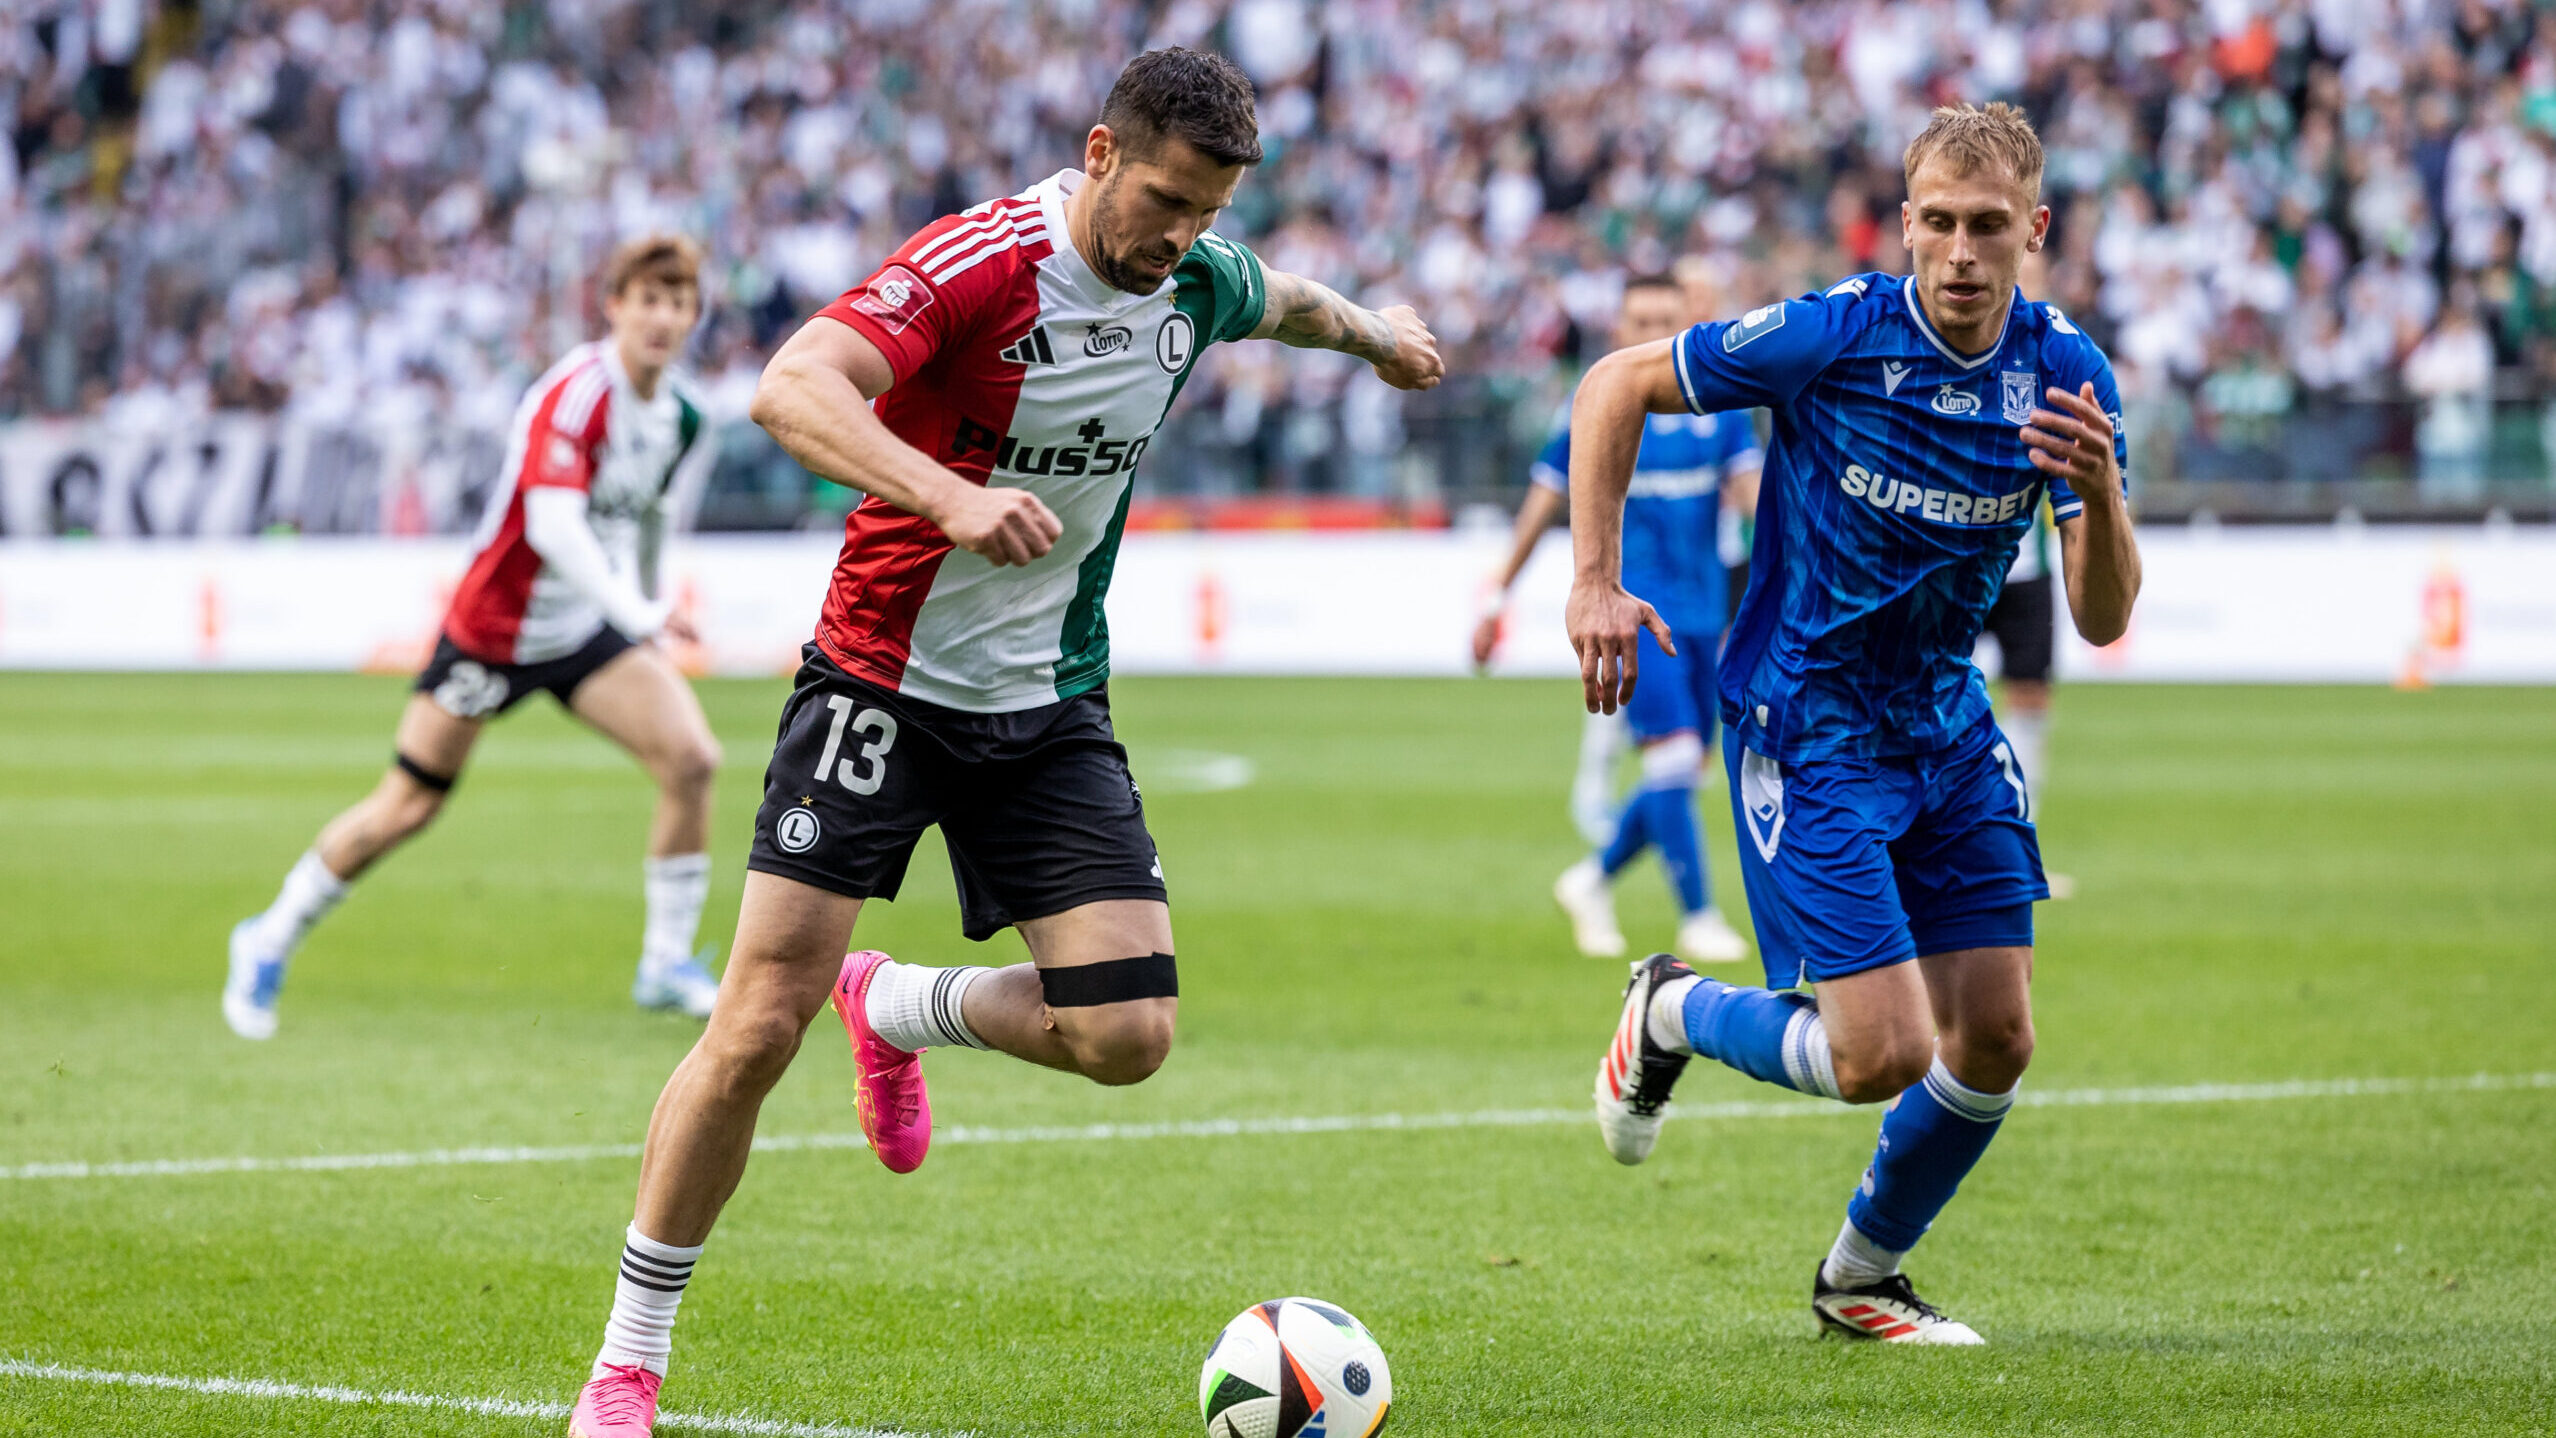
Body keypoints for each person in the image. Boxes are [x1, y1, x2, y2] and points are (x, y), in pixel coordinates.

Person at [565, 49, 1443, 1438]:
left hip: (1047, 705)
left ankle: (898, 1003)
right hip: (877, 682)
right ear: (1099, 153)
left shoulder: (1196, 275)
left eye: (1205, 211)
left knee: (1128, 1032)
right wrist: (947, 496)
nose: (1179, 237)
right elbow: (794, 387)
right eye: (1162, 199)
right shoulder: (981, 264)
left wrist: (1379, 331)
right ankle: (628, 1359)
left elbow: (1290, 300)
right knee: (752, 1026)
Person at [1568, 104, 2139, 1343]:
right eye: (1938, 222)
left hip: (1942, 723)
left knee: (1995, 1037)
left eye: (1990, 226)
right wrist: (1594, 581)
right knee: (1880, 1052)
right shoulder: (1833, 335)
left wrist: (2099, 493)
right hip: (1810, 721)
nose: (1963, 252)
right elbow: (1613, 382)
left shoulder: (2067, 377)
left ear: (2033, 230)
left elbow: (2100, 618)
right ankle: (1669, 1007)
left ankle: (1862, 1278)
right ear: (1907, 225)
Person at [223, 236, 725, 1038]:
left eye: (679, 301)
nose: (663, 317)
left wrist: (648, 604)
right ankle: (268, 936)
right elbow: (552, 526)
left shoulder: (684, 416)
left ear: (695, 315)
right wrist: (633, 613)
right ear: (615, 306)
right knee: (408, 806)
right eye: (649, 299)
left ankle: (664, 964)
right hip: (495, 630)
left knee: (692, 760)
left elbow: (652, 517)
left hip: (585, 628)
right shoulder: (574, 395)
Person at [1472, 274, 1760, 965]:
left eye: (1668, 320)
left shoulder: (1719, 413)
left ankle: (1591, 879)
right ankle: (1699, 917)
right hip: (1632, 616)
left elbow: (1757, 506)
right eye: (1641, 321)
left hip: (1704, 619)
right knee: (1673, 758)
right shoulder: (1593, 414)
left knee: (1683, 770)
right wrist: (1493, 599)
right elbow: (1541, 510)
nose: (1654, 333)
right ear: (1620, 331)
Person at [1979, 498, 2075, 898]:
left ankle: (2017, 854)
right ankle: (1919, 851)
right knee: (1924, 692)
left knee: (2032, 697)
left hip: (2026, 568)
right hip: (1951, 559)